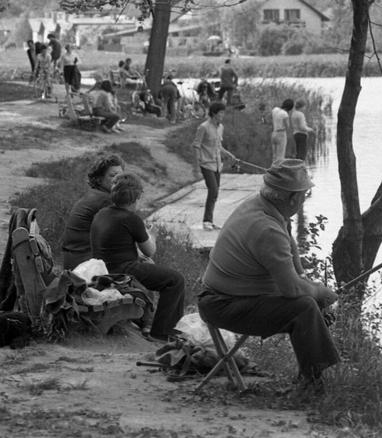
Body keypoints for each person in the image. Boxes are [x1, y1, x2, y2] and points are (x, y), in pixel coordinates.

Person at [197, 159, 339, 390]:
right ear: (293, 198)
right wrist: (322, 293)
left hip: (227, 297)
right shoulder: (267, 228)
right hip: (222, 304)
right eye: (304, 194)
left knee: (308, 302)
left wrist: (306, 282)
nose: (305, 199)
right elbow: (290, 290)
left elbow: (292, 261)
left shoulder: (262, 207)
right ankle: (312, 385)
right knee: (304, 307)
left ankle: (309, 377)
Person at [90, 172, 185, 341]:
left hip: (103, 268)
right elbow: (150, 251)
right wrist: (152, 234)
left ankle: (151, 322)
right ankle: (162, 333)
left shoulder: (102, 213)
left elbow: (116, 244)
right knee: (175, 280)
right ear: (136, 197)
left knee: (153, 269)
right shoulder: (132, 219)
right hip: (123, 270)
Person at [61, 155, 125, 270]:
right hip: (84, 265)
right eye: (113, 175)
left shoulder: (94, 194)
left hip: (74, 261)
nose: (118, 180)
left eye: (121, 175)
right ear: (99, 178)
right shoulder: (105, 200)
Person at [192, 102, 239, 231]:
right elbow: (196, 145)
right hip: (206, 164)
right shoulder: (203, 127)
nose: (222, 115)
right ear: (213, 113)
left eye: (223, 113)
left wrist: (229, 154)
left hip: (217, 165)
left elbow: (218, 146)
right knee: (213, 190)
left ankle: (209, 221)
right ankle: (207, 221)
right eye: (221, 113)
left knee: (215, 193)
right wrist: (197, 165)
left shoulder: (220, 127)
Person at [271, 99, 294, 164]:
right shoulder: (285, 114)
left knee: (274, 156)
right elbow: (287, 126)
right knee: (280, 156)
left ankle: (273, 170)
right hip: (281, 134)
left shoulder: (275, 110)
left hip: (274, 133)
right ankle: (278, 171)